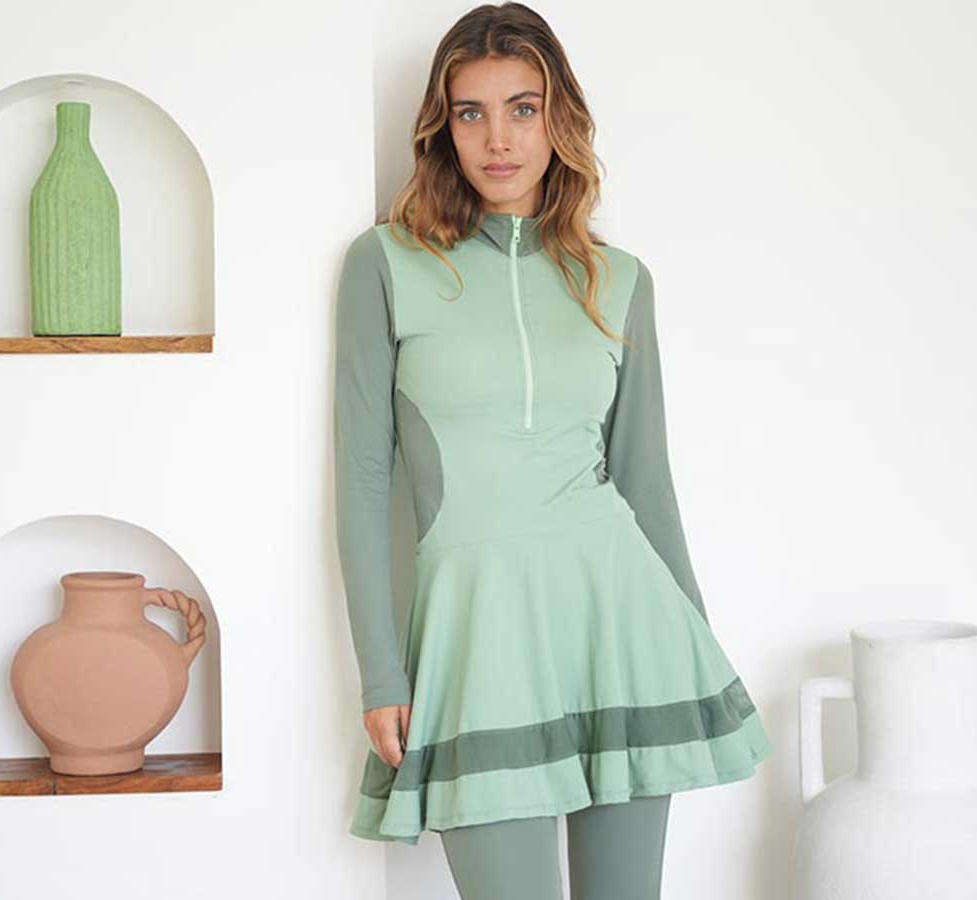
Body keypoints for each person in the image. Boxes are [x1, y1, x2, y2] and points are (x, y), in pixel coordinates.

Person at [333, 4, 773, 897]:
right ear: (443, 126)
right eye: (471, 112)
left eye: (523, 108)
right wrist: (381, 671)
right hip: (478, 636)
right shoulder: (385, 264)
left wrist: (691, 639)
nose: (498, 139)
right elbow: (363, 477)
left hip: (621, 625)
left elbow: (644, 478)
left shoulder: (619, 279)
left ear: (558, 118)